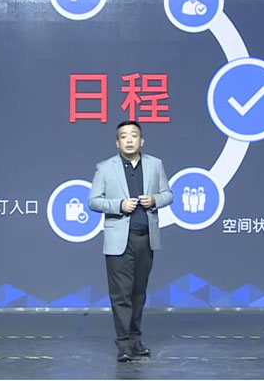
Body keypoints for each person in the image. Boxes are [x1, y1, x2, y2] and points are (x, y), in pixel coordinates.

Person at [88, 120, 173, 362]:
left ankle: (136, 341)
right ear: (117, 142)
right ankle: (123, 344)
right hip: (119, 241)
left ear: (141, 140)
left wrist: (154, 200)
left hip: (145, 239)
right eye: (124, 136)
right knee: (120, 294)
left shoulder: (155, 164)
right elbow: (93, 201)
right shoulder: (105, 168)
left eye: (133, 135)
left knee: (139, 293)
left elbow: (168, 194)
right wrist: (119, 205)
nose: (129, 139)